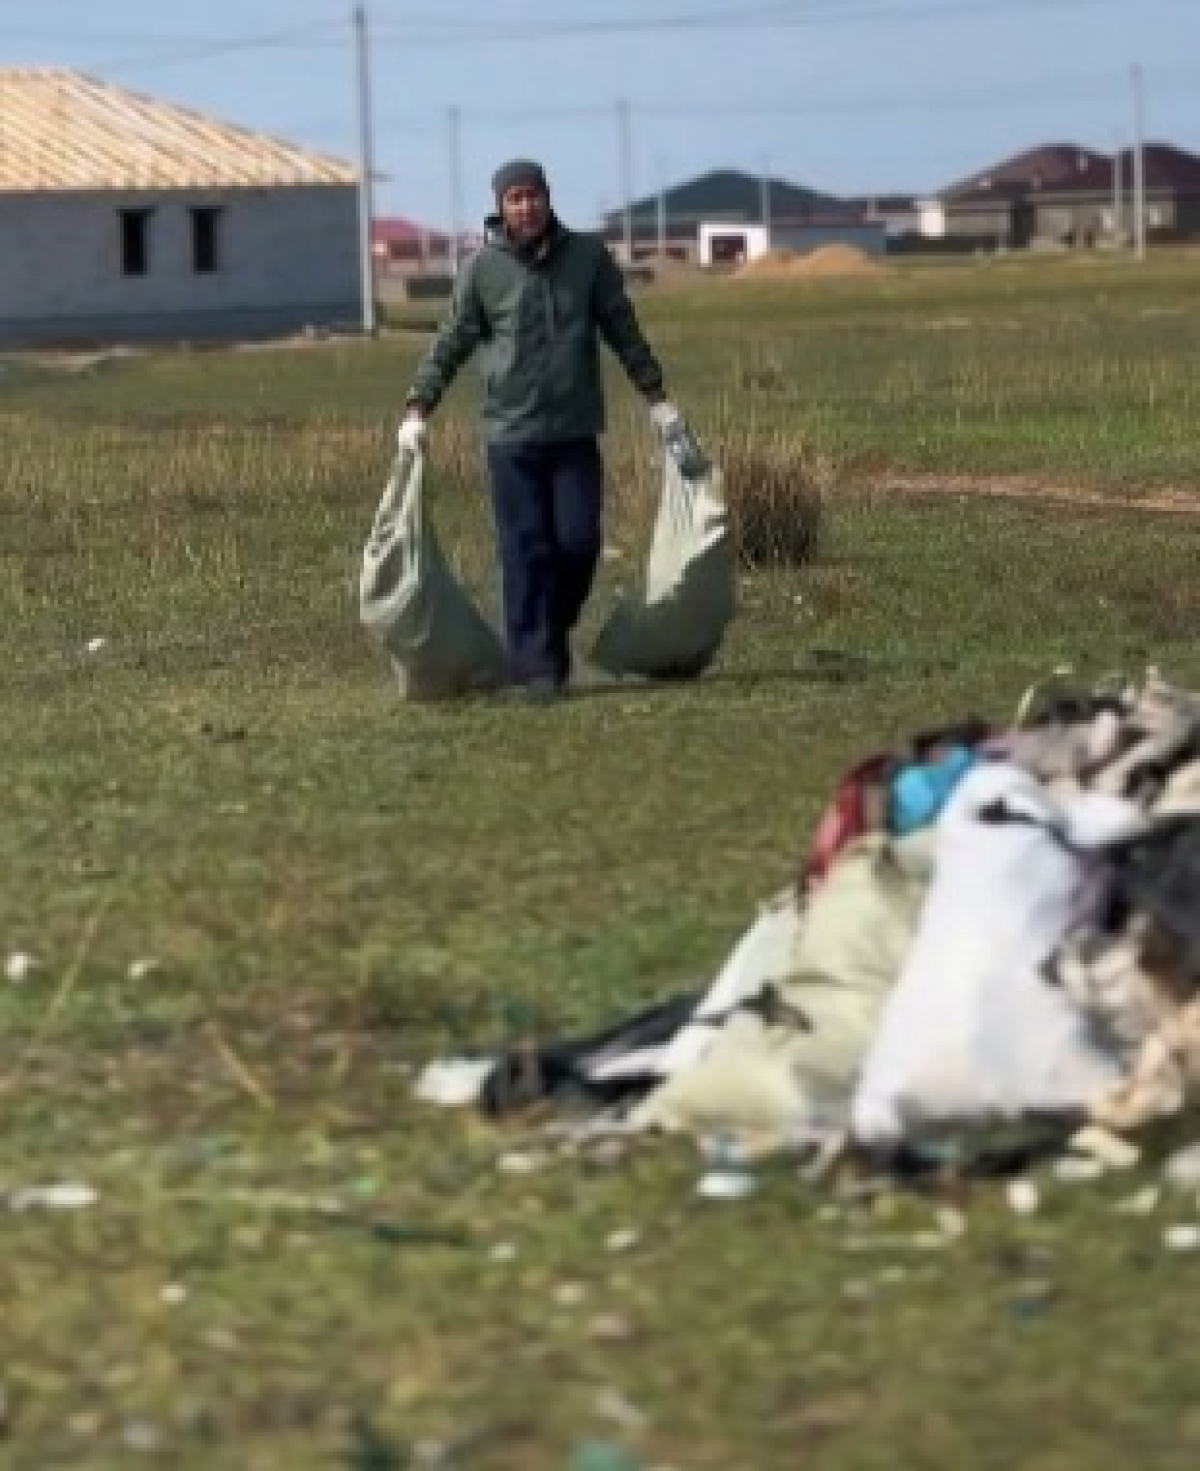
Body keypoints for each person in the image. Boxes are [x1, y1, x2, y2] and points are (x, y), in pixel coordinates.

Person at [398, 157, 690, 700]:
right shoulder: (482, 270)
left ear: (548, 199)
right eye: (514, 199)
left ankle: (542, 639)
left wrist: (658, 400)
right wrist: (419, 405)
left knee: (578, 544)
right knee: (526, 549)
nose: (525, 207)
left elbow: (623, 329)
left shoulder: (587, 259)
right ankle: (536, 672)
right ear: (501, 207)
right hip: (510, 433)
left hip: (574, 429)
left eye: (532, 196)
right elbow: (452, 340)